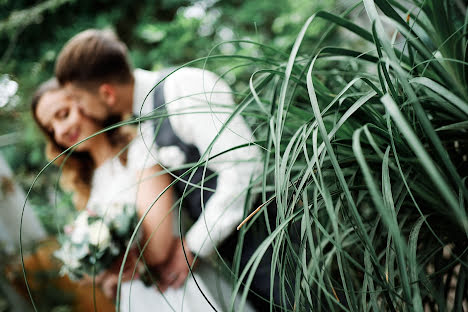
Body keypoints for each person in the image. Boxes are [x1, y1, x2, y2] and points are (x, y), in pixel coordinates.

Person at [52, 27, 276, 309]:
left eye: (80, 101)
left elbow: (245, 168)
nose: (81, 110)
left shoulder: (183, 88)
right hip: (237, 254)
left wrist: (193, 246)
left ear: (107, 93)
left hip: (274, 239)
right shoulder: (143, 125)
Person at [31, 78, 256, 311]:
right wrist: (101, 273)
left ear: (85, 101)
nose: (60, 131)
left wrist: (116, 272)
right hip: (137, 300)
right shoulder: (87, 185)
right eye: (50, 128)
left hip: (176, 286)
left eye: (63, 114)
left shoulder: (141, 150)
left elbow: (157, 247)